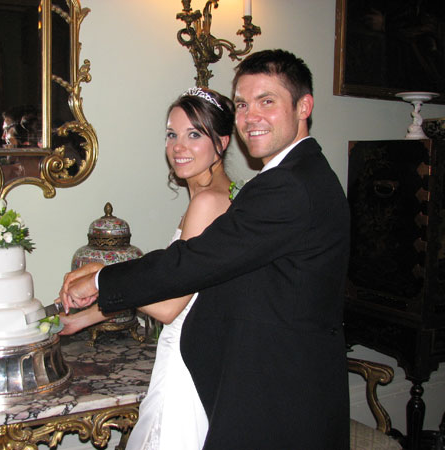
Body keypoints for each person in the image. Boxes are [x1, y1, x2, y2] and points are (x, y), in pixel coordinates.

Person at [59, 49, 351, 449]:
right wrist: (94, 306)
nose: (251, 116)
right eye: (243, 104)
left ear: (304, 107)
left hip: (281, 393)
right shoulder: (294, 176)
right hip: (262, 378)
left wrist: (100, 277)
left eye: (267, 101)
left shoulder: (290, 185)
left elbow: (193, 263)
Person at [60, 87, 234, 450]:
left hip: (186, 362)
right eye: (172, 134)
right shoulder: (219, 196)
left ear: (222, 141)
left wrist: (101, 275)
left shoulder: (207, 203)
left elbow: (170, 305)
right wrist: (85, 318)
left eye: (194, 134)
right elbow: (172, 285)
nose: (178, 146)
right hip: (199, 355)